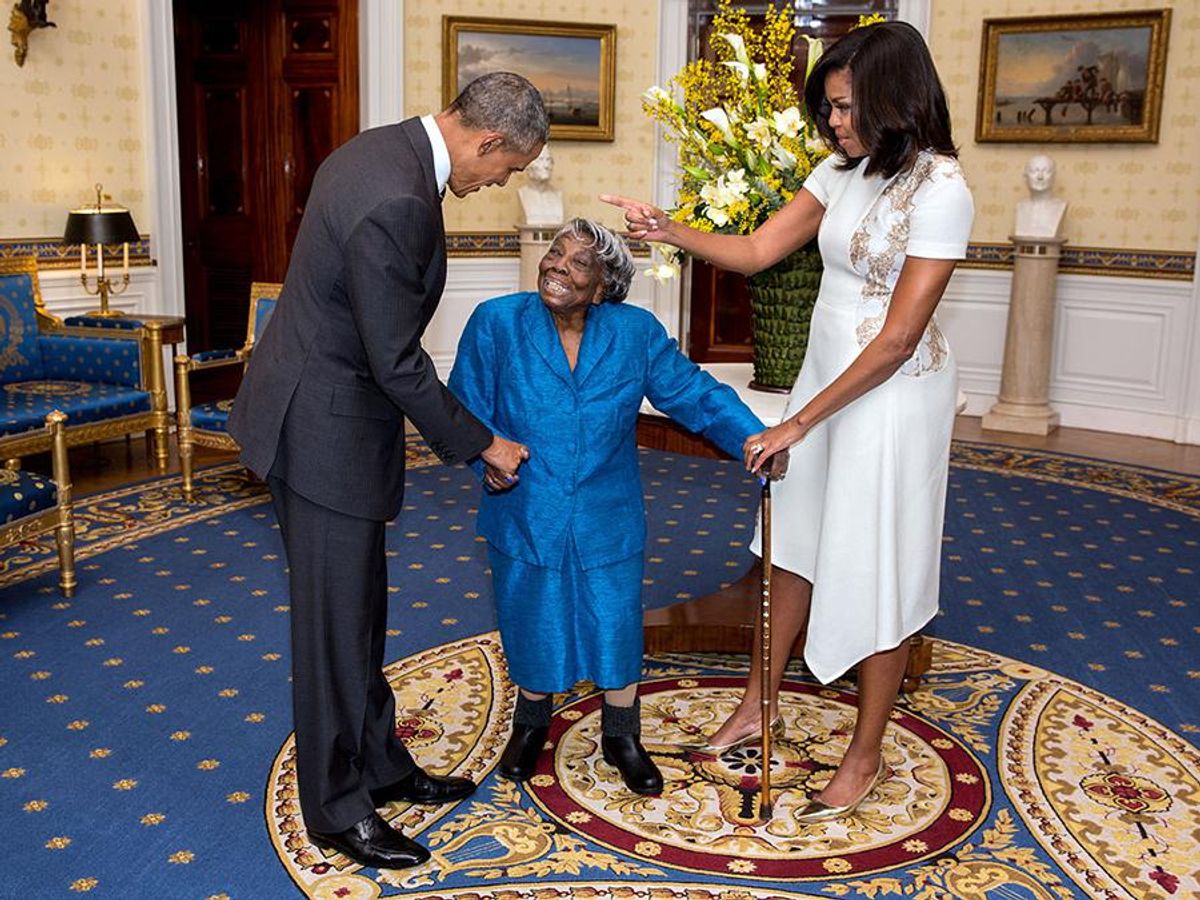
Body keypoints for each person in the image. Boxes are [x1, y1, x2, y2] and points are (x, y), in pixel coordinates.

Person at [603, 20, 974, 822]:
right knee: (791, 544)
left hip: (896, 397)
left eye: (844, 107)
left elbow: (900, 336)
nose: (834, 123)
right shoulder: (839, 172)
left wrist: (798, 423)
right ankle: (758, 703)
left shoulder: (944, 188)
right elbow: (758, 250)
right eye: (829, 109)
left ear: (891, 95)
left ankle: (866, 750)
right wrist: (667, 228)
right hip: (826, 376)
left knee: (879, 564)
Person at [228, 72, 548, 870]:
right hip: (321, 432)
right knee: (335, 630)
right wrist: (485, 444)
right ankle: (338, 810)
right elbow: (397, 363)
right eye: (504, 170)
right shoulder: (400, 196)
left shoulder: (380, 147)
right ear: (486, 140)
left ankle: (381, 763)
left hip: (320, 408)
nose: (497, 184)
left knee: (357, 614)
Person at [447, 219, 767, 795]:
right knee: (530, 612)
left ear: (603, 287)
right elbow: (464, 408)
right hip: (524, 505)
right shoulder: (496, 322)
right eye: (555, 254)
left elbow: (693, 394)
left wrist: (754, 436)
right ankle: (531, 721)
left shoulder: (634, 333)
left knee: (615, 621)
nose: (557, 267)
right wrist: (485, 463)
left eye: (578, 264)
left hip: (607, 510)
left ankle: (622, 734)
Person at [1014, 153, 1066, 238]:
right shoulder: (1020, 206)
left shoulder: (1061, 206)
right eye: (1034, 171)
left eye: (1046, 171)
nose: (1040, 177)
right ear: (1025, 177)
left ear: (1054, 177)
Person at [518, 143, 564, 225]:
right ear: (528, 165)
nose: (547, 165)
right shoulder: (522, 193)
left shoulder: (558, 194)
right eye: (541, 160)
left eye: (549, 160)